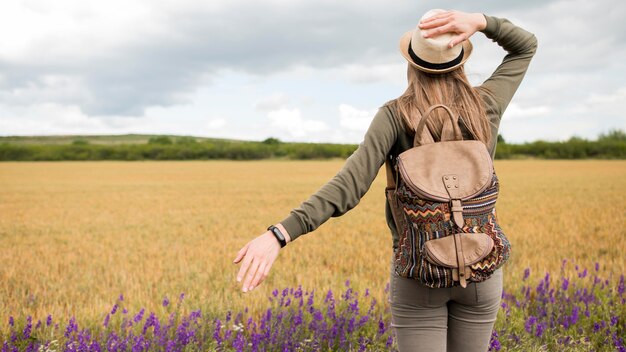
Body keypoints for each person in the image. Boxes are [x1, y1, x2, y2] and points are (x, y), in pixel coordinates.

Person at [233, 8, 537, 352]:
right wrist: (481, 23)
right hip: (481, 267)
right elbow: (526, 46)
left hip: (418, 274)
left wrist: (279, 234)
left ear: (411, 62)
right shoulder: (486, 105)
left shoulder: (394, 116)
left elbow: (349, 184)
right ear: (460, 59)